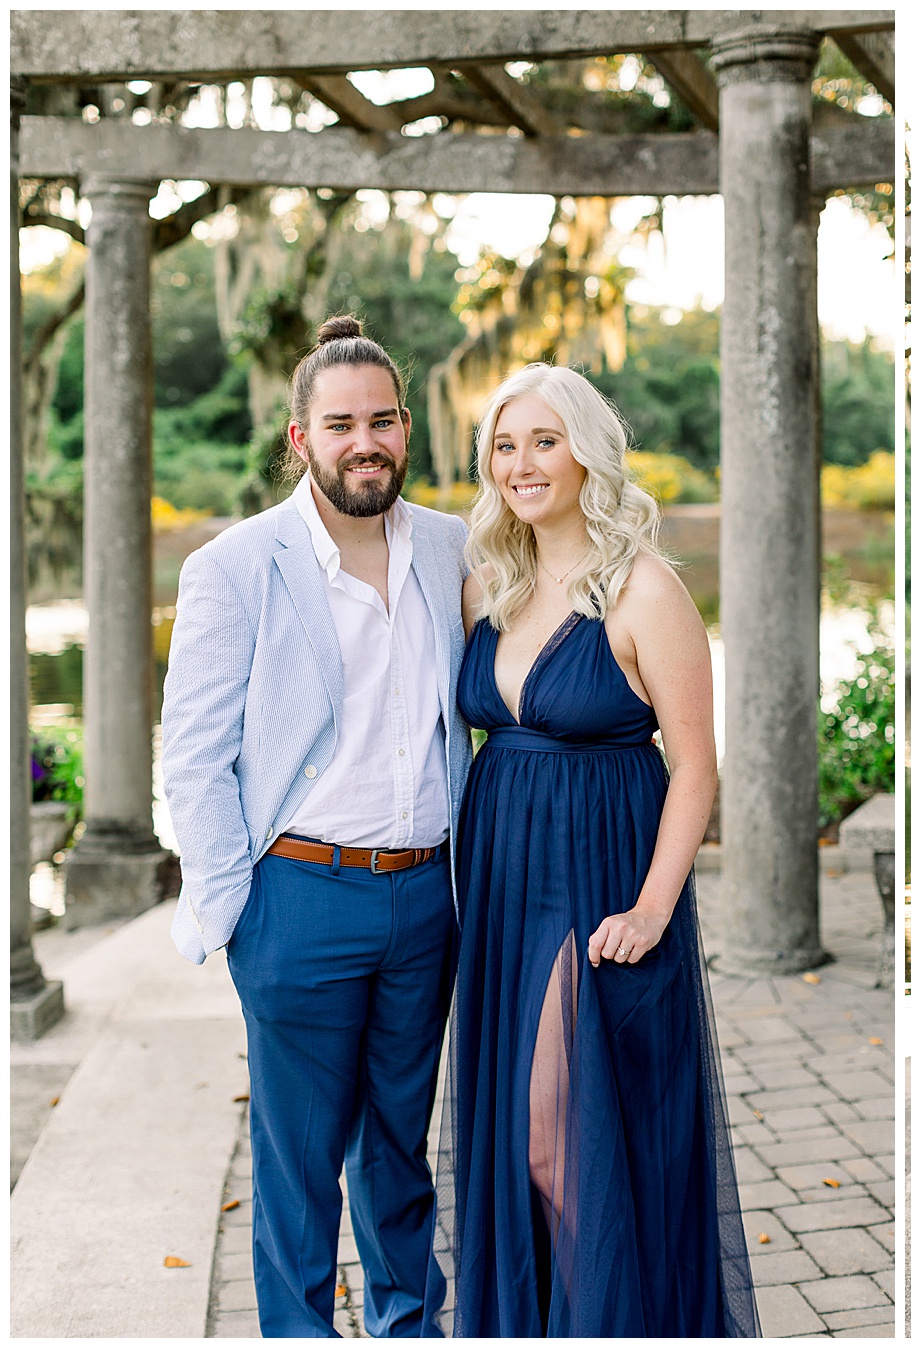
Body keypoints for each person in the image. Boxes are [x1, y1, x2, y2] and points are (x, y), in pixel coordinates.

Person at [163, 316, 471, 1335]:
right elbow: (195, 756)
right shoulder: (235, 566)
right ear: (300, 438)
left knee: (399, 1148)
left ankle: (407, 1324)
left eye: (382, 419)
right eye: (340, 423)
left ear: (408, 427)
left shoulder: (449, 545)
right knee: (298, 1164)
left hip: (426, 896)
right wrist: (237, 907)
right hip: (297, 900)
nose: (364, 440)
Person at [441, 363, 758, 1336]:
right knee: (515, 1143)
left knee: (564, 1146)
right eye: (506, 444)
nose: (523, 463)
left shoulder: (645, 589)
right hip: (500, 896)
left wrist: (653, 908)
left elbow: (696, 767)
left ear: (586, 452)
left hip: (602, 890)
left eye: (544, 441)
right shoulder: (487, 585)